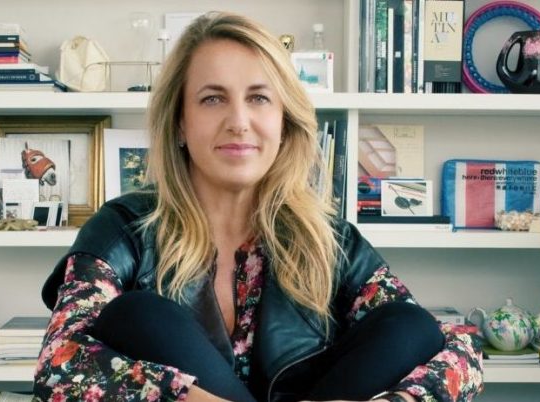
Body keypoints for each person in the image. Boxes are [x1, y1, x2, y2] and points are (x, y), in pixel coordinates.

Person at [35, 11, 483, 402]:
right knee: (138, 315)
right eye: (213, 99)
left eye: (259, 98)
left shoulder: (329, 239)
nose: (238, 121)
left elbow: (458, 352)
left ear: (284, 123)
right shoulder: (125, 228)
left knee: (409, 325)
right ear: (180, 124)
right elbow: (58, 367)